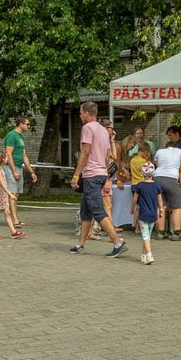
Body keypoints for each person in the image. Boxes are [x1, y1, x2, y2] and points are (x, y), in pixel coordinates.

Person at [69, 102, 126, 257]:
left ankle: (117, 242)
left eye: (81, 113)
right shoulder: (103, 130)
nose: (80, 115)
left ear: (87, 113)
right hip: (101, 173)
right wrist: (103, 171)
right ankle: (80, 245)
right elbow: (108, 155)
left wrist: (76, 175)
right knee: (86, 211)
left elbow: (85, 152)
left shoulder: (87, 128)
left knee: (97, 210)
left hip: (91, 175)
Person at [152, 125, 181, 240]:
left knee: (160, 206)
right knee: (176, 207)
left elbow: (156, 164)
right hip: (171, 179)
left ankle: (160, 232)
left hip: (157, 179)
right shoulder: (180, 152)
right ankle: (176, 233)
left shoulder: (159, 151)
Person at [2, 115, 35, 231]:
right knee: (12, 194)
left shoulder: (20, 137)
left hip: (19, 167)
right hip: (11, 168)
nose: (28, 126)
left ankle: (15, 218)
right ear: (20, 124)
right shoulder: (12, 135)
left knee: (16, 194)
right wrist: (14, 170)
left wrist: (31, 172)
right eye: (27, 124)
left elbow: (24, 156)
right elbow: (8, 154)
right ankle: (14, 220)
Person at [133, 163, 162, 265]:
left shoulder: (140, 186)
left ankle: (149, 255)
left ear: (142, 173)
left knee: (145, 236)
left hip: (143, 214)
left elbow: (135, 199)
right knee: (147, 235)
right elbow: (160, 200)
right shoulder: (157, 186)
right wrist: (161, 209)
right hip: (153, 214)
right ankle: (143, 255)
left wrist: (132, 208)